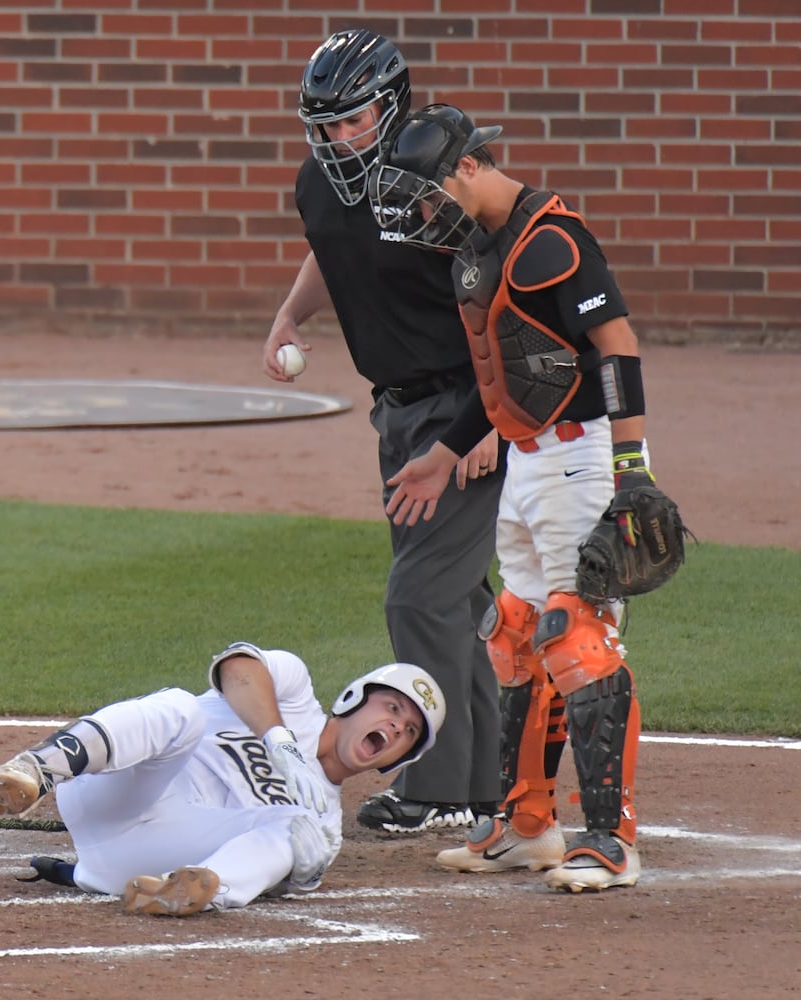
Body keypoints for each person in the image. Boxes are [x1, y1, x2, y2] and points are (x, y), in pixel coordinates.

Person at [366, 102, 660, 891]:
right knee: (517, 641)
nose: (424, 210)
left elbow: (614, 348)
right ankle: (525, 825)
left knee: (575, 635)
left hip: (579, 459)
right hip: (526, 465)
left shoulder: (554, 242)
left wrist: (632, 465)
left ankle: (610, 838)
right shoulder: (479, 255)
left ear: (468, 167)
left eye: (430, 191)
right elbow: (503, 376)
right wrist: (443, 453)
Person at [261, 28, 503, 835]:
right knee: (456, 602)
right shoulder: (319, 185)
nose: (338, 138)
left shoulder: (435, 185)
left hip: (464, 413)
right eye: (325, 124)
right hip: (396, 413)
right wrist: (292, 313)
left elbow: (494, 303)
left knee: (420, 597)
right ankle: (481, 780)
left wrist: (488, 420)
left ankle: (437, 786)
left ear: (391, 106)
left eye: (353, 120)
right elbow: (330, 253)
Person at [0, 641, 446, 915]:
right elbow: (238, 667)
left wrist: (301, 868)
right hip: (111, 795)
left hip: (134, 867)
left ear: (398, 760)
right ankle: (38, 768)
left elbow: (289, 875)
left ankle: (196, 893)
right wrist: (277, 737)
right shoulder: (294, 693)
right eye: (392, 707)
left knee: (301, 834)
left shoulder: (324, 823)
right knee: (180, 708)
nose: (394, 727)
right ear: (354, 698)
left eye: (408, 732)